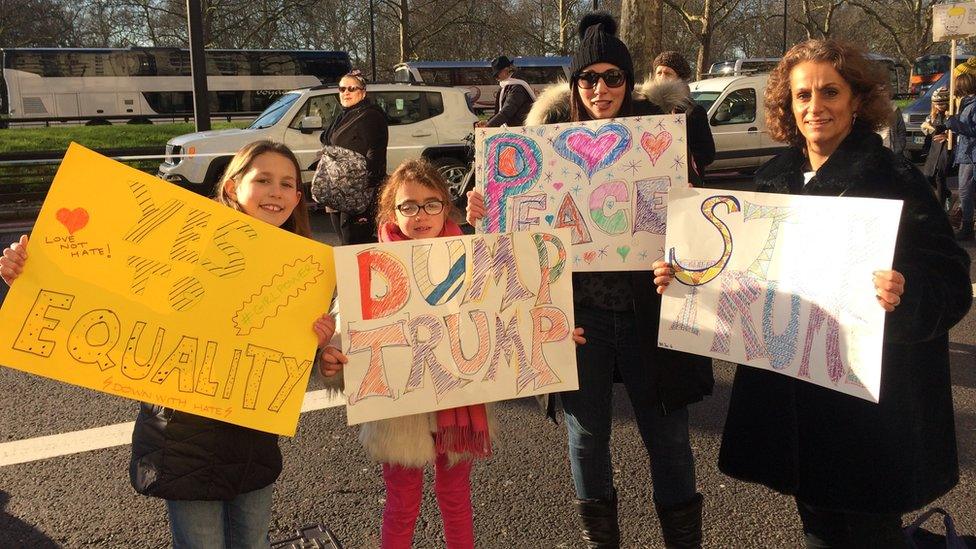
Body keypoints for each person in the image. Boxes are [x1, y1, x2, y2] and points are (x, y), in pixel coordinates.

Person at [653, 39, 971, 548]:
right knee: (816, 529)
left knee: (871, 534)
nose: (815, 106)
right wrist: (685, 281)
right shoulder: (772, 180)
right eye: (803, 95)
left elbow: (952, 281)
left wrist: (906, 294)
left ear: (856, 100)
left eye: (830, 92)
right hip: (797, 407)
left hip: (870, 413)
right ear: (787, 105)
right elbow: (742, 279)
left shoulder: (894, 179)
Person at [0, 140, 340, 548]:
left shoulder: (305, 275)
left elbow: (283, 366)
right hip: (183, 438)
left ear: (297, 198)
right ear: (232, 188)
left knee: (254, 542)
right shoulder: (186, 243)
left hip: (252, 443)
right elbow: (111, 288)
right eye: (263, 179)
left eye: (287, 184)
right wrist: (32, 275)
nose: (276, 192)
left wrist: (319, 350)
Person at [467, 12, 713, 548]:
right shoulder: (546, 145)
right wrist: (489, 214)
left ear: (629, 81)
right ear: (574, 84)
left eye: (613, 77)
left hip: (654, 310)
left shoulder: (662, 142)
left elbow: (702, 234)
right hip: (580, 317)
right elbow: (516, 245)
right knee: (586, 438)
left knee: (668, 438)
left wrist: (687, 235)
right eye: (588, 79)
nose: (600, 90)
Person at [318, 158, 586, 548]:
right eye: (408, 206)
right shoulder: (370, 267)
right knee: (402, 502)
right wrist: (332, 359)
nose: (420, 215)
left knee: (456, 498)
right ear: (391, 211)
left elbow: (512, 311)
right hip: (399, 408)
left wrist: (553, 336)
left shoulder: (476, 257)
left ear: (446, 207)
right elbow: (348, 336)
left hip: (459, 401)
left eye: (431, 204)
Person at [320, 69, 389, 245]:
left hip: (358, 188)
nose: (346, 93)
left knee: (354, 241)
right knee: (343, 240)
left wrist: (367, 184)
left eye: (351, 89)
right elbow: (327, 139)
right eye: (342, 89)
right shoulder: (345, 114)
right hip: (337, 185)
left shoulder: (370, 115)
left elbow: (375, 152)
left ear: (363, 92)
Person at [652, 51, 716, 185]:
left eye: (668, 73)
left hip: (686, 183)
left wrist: (682, 155)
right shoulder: (646, 109)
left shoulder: (693, 112)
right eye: (659, 73)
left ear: (679, 79)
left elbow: (707, 154)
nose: (662, 77)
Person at [945, 72, 976, 240]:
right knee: (967, 190)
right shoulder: (966, 103)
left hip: (972, 154)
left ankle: (967, 226)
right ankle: (967, 223)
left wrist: (956, 124)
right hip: (965, 152)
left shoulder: (974, 104)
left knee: (965, 190)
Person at [477, 55, 537, 128]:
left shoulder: (517, 87)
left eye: (497, 74)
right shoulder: (508, 85)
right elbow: (501, 112)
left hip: (520, 128)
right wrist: (488, 121)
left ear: (506, 71)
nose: (496, 78)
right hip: (517, 128)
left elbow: (507, 111)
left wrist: (489, 125)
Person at [921, 86, 951, 209]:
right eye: (937, 104)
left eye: (942, 104)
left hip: (945, 149)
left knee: (940, 177)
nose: (939, 107)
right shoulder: (933, 115)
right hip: (933, 149)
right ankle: (947, 193)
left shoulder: (950, 115)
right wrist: (926, 127)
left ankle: (940, 206)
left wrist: (947, 135)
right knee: (927, 176)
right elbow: (926, 128)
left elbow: (952, 130)